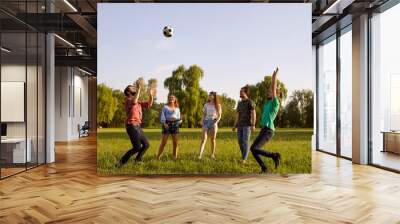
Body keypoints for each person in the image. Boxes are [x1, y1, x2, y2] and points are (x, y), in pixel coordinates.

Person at [115, 81, 155, 167]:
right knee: (137, 147)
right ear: (128, 92)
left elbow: (149, 104)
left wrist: (151, 95)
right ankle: (120, 163)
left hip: (137, 126)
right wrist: (139, 89)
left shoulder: (138, 102)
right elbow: (134, 101)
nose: (134, 88)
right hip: (131, 126)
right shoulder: (128, 100)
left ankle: (137, 160)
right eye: (132, 88)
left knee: (146, 145)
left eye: (134, 87)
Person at [250, 67, 281, 173]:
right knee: (253, 149)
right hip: (264, 129)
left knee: (254, 149)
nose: (269, 91)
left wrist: (274, 77)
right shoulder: (268, 103)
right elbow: (272, 89)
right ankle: (264, 168)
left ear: (276, 93)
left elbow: (273, 87)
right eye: (269, 91)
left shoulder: (275, 103)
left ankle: (274, 155)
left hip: (269, 130)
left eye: (271, 91)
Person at [232, 86, 256, 164]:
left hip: (247, 125)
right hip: (240, 125)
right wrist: (235, 125)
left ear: (246, 92)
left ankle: (244, 159)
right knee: (240, 141)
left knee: (245, 141)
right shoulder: (239, 103)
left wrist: (253, 124)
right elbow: (237, 115)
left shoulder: (250, 102)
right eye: (240, 91)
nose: (240, 92)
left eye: (241, 91)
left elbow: (253, 113)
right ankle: (244, 156)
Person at [156, 94, 182, 160]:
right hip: (167, 124)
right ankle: (158, 156)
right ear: (168, 99)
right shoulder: (165, 107)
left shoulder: (177, 108)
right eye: (170, 97)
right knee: (164, 142)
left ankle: (174, 157)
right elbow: (162, 116)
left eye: (172, 97)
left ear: (175, 99)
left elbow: (179, 118)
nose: (171, 98)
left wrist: (179, 122)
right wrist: (164, 123)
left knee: (175, 143)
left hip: (175, 125)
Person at [198, 91, 222, 159]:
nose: (210, 96)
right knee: (203, 139)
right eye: (209, 95)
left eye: (212, 95)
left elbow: (219, 115)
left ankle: (212, 154)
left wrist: (216, 122)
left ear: (214, 96)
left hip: (213, 122)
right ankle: (199, 155)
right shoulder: (206, 104)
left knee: (213, 140)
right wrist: (202, 121)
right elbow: (204, 114)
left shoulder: (218, 105)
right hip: (206, 122)